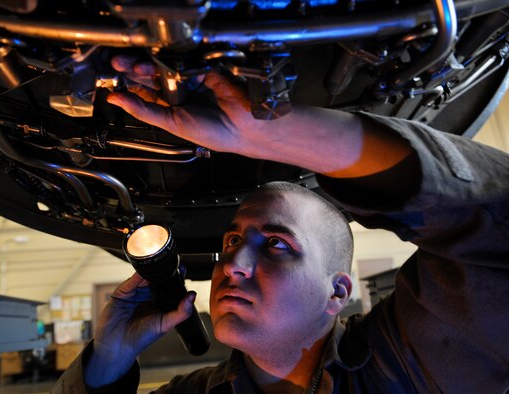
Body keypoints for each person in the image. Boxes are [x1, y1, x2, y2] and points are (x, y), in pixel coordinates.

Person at [53, 57, 509, 393]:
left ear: (337, 292)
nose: (232, 265)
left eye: (276, 244)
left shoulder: (412, 362)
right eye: (232, 240)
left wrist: (278, 134)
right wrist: (107, 361)